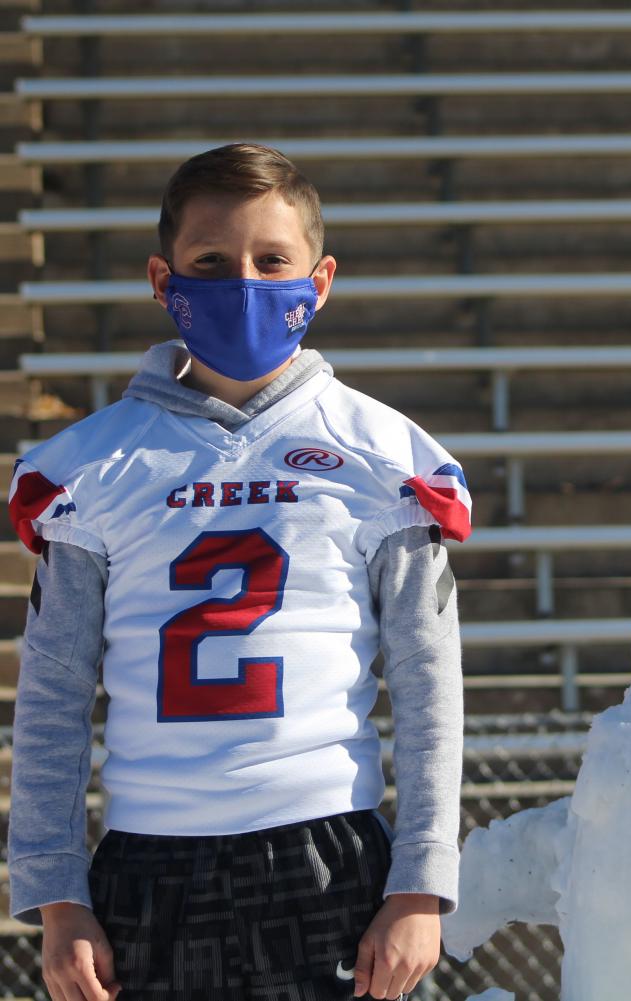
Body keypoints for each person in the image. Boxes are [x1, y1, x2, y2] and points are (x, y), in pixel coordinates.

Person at [7, 143, 470, 1001]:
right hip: (149, 865)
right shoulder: (89, 467)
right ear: (162, 279)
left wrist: (420, 878)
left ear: (319, 280)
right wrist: (56, 892)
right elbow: (52, 697)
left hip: (326, 852)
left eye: (271, 260)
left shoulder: (380, 455)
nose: (244, 282)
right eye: (211, 263)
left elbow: (427, 680)